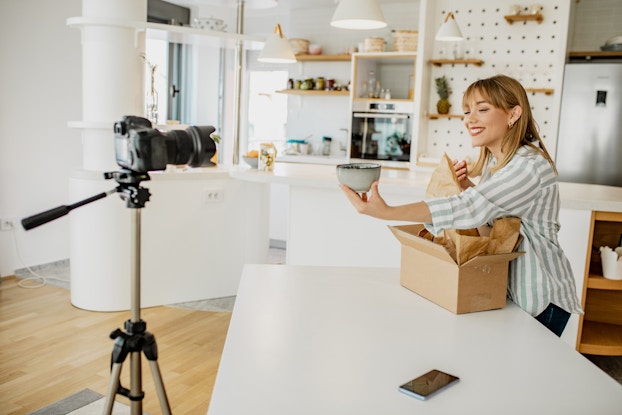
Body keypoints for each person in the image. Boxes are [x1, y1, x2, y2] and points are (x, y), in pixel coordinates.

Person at [340, 75, 582, 337]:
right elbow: (495, 214)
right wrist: (467, 185)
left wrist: (388, 213)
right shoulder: (499, 162)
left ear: (514, 114)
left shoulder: (528, 166)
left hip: (539, 297)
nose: (470, 119)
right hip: (513, 292)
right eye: (467, 112)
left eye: (483, 109)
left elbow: (471, 208)